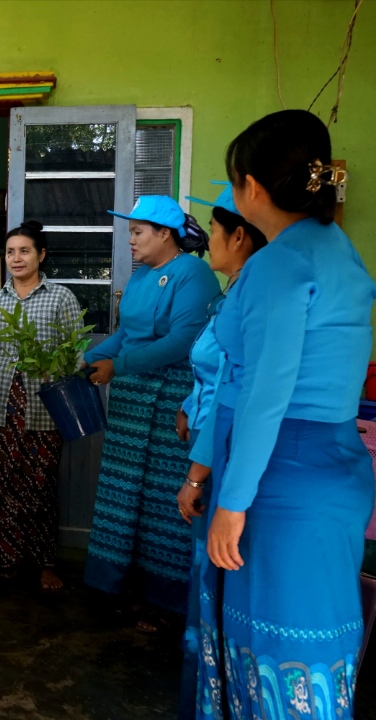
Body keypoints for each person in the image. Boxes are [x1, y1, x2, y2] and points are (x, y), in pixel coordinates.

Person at [189, 110, 375, 719]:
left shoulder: (278, 264)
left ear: (251, 187)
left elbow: (267, 393)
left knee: (274, 643)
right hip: (336, 463)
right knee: (318, 645)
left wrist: (232, 503)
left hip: (282, 476)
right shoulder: (338, 249)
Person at [82, 195, 220, 631]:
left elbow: (182, 341)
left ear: (165, 233)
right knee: (122, 494)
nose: (131, 240)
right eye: (130, 232)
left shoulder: (193, 274)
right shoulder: (142, 275)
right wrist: (86, 357)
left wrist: (117, 366)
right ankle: (114, 585)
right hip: (130, 401)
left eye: (138, 232)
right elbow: (127, 334)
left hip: (168, 400)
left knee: (162, 500)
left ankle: (165, 601)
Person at [171, 182, 266, 720]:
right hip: (209, 438)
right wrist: (189, 401)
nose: (206, 240)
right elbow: (212, 371)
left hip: (221, 453)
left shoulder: (249, 300)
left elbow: (233, 394)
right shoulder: (232, 294)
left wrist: (196, 476)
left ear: (240, 237)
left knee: (215, 576)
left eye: (212, 229)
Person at [0, 222, 81, 591]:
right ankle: (4, 558)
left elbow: (75, 356)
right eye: (10, 252)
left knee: (40, 486)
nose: (16, 258)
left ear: (41, 255)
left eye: (25, 251)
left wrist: (56, 371)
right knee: (1, 484)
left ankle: (44, 563)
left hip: (44, 410)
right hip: (1, 407)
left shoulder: (60, 298)